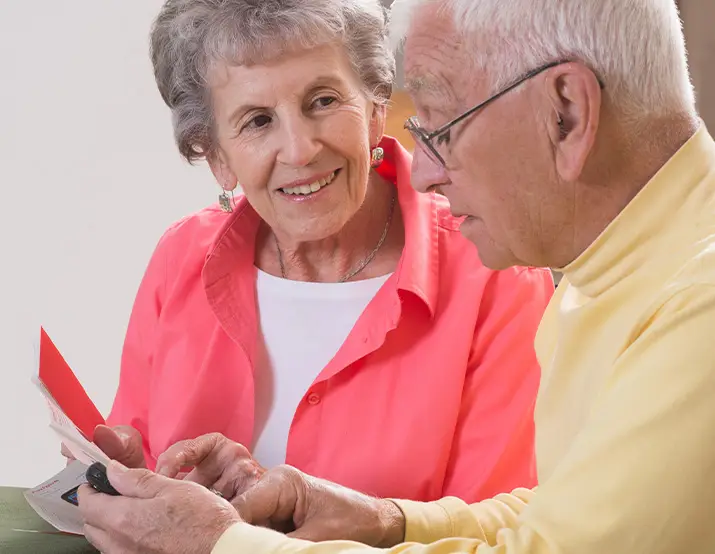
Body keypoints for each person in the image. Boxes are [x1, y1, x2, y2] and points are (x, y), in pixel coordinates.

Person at [77, 0, 715, 552]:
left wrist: (221, 544)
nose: (425, 170)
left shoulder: (696, 311)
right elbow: (561, 516)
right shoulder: (607, 276)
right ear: (214, 154)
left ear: (566, 114)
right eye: (257, 120)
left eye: (442, 124)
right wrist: (385, 520)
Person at [68, 0, 553, 506]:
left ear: (374, 108)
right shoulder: (181, 256)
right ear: (215, 157)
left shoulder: (496, 271)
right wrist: (121, 482)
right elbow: (144, 463)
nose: (300, 151)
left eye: (322, 101)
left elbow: (496, 531)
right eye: (257, 121)